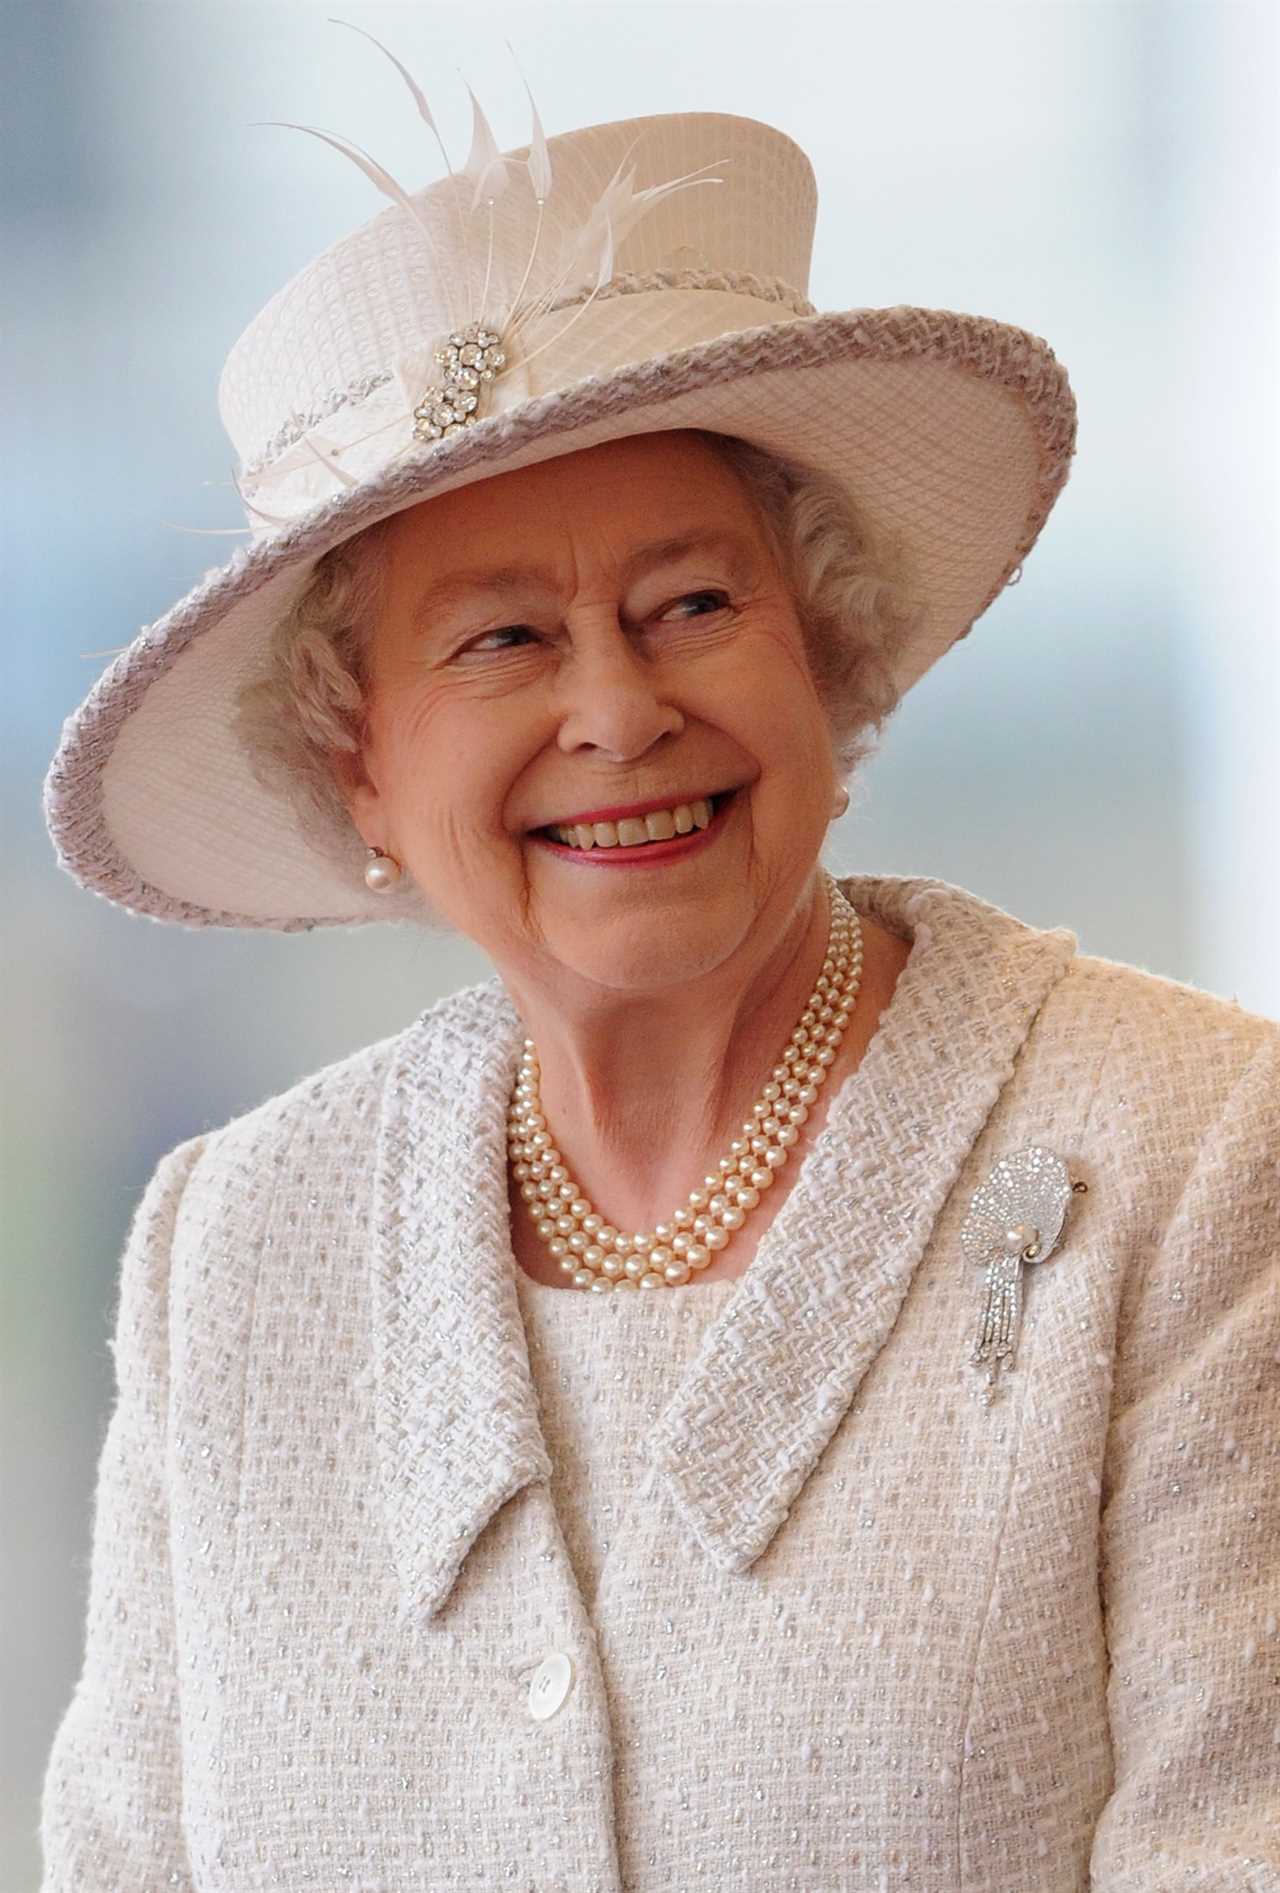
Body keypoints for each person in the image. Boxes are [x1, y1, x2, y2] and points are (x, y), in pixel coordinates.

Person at [39, 46, 1278, 1893]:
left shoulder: (1189, 1153)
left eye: (694, 603)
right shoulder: (230, 1248)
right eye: (503, 639)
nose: (619, 710)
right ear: (357, 759)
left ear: (826, 651)